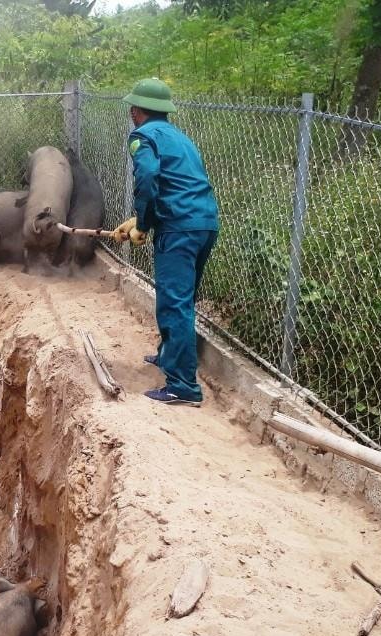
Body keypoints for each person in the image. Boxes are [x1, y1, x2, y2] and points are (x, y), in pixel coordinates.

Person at [112, 77, 220, 406]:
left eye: (134, 106)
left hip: (179, 229)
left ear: (140, 111)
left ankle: (183, 386)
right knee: (181, 297)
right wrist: (141, 219)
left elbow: (146, 179)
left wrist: (143, 223)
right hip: (203, 223)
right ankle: (168, 356)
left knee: (174, 302)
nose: (131, 111)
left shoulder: (143, 136)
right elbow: (180, 182)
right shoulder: (179, 138)